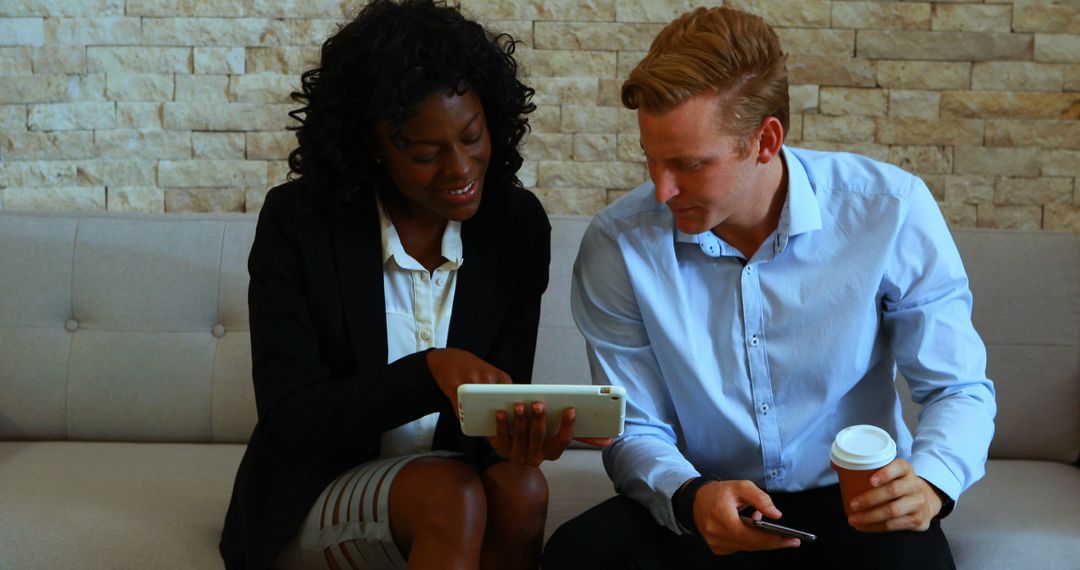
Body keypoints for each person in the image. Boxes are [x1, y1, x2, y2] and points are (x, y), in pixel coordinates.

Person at [542, 6, 995, 569]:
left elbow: (957, 388)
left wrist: (931, 482)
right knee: (577, 556)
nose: (661, 190)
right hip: (705, 501)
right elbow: (635, 425)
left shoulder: (890, 212)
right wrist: (688, 497)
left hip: (853, 503)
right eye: (651, 160)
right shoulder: (618, 244)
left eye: (687, 164)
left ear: (765, 140)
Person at [219, 2, 603, 568]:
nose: (460, 169)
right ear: (373, 146)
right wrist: (428, 372)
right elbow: (291, 421)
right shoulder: (299, 223)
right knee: (450, 495)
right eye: (426, 153)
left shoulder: (515, 227)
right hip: (319, 483)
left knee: (521, 488)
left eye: (472, 137)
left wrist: (513, 439)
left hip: (453, 483)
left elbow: (492, 404)